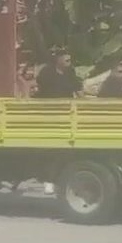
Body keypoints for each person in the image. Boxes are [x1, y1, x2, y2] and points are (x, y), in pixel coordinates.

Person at [34, 49, 82, 195]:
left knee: (64, 150)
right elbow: (39, 90)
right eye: (65, 57)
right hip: (48, 116)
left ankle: (58, 180)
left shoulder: (70, 73)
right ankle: (48, 180)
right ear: (57, 59)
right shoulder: (46, 73)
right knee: (49, 149)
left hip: (66, 116)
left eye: (69, 57)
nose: (69, 59)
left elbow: (78, 90)